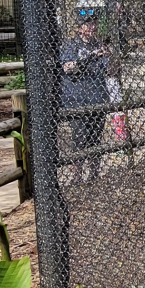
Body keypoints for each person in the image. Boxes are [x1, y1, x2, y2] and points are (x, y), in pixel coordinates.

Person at [59, 11, 112, 184]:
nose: (93, 26)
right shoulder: (70, 45)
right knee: (79, 137)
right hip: (77, 99)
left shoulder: (98, 44)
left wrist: (110, 57)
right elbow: (68, 68)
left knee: (95, 137)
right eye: (89, 23)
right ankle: (76, 176)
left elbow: (110, 70)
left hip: (97, 97)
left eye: (94, 23)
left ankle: (94, 174)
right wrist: (89, 57)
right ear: (79, 27)